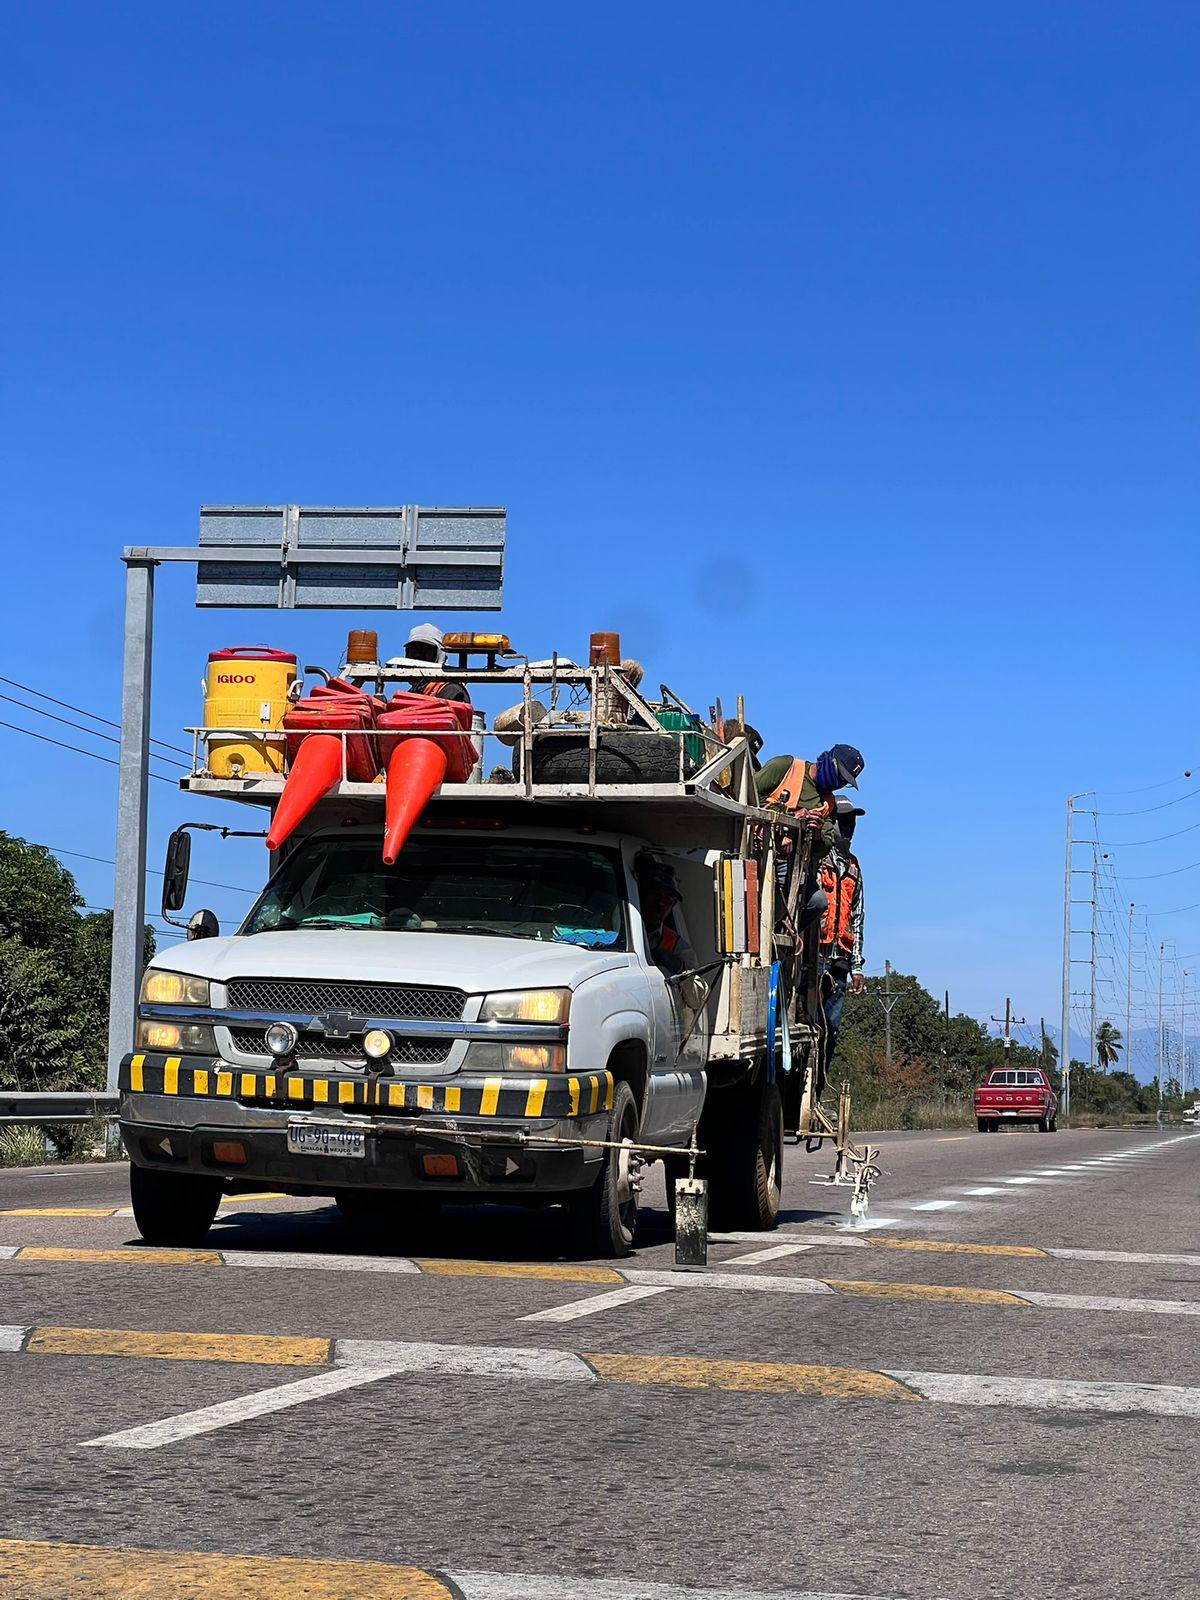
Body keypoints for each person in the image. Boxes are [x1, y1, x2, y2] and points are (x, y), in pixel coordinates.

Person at [819, 796, 866, 1066]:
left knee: (831, 1029)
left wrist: (856, 967)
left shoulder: (854, 867)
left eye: (852, 822)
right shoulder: (816, 857)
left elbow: (858, 916)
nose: (849, 827)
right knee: (812, 1026)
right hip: (814, 956)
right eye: (843, 821)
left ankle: (818, 1090)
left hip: (840, 959)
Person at [634, 853, 696, 976]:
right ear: (641, 895)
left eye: (668, 899)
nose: (661, 903)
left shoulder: (678, 946)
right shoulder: (614, 929)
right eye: (655, 895)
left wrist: (680, 968)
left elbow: (700, 990)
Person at [387, 624, 471, 703]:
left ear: (438, 654)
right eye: (413, 648)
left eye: (424, 648)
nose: (417, 654)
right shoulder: (412, 694)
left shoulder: (451, 690)